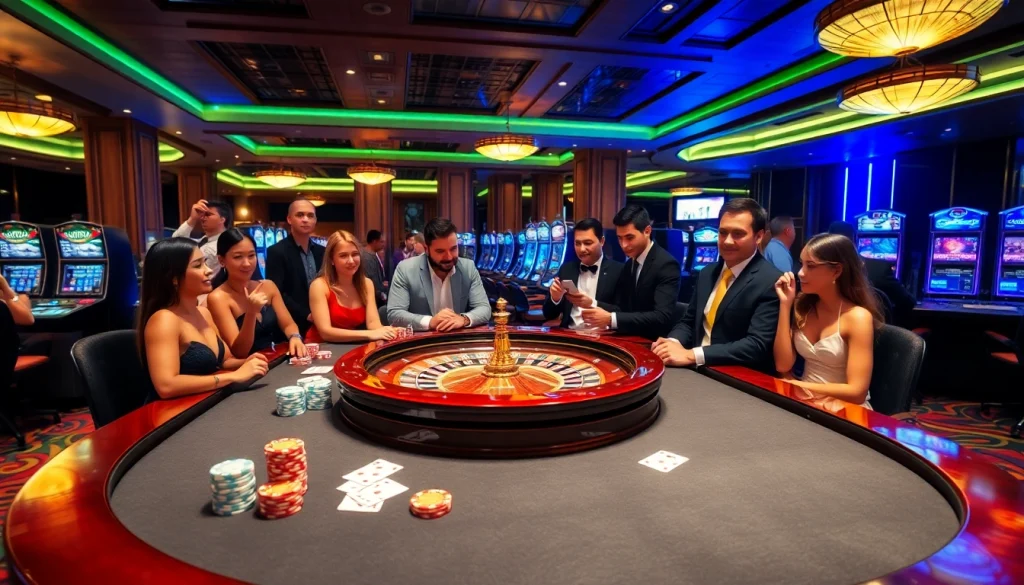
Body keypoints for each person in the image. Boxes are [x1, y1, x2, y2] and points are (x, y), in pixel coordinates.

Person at [653, 198, 782, 372]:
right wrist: (672, 343)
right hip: (695, 369)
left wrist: (692, 354)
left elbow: (756, 345)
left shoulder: (771, 280)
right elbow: (688, 322)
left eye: (738, 234)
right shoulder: (707, 272)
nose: (727, 241)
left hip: (735, 377)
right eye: (722, 232)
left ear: (758, 236)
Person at [137, 238, 269, 401]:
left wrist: (246, 362)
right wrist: (233, 377)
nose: (208, 271)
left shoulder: (203, 312)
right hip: (174, 415)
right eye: (198, 265)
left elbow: (225, 361)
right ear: (174, 278)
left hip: (205, 401)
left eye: (205, 263)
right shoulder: (164, 320)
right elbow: (166, 385)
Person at [773, 233, 882, 410]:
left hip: (845, 408)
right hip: (807, 400)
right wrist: (785, 305)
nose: (800, 272)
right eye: (802, 264)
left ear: (837, 271)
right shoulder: (803, 305)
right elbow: (783, 364)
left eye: (811, 266)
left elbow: (857, 392)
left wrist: (797, 385)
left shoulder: (858, 317)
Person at [581, 204, 679, 340]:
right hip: (630, 337)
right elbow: (624, 308)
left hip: (654, 342)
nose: (624, 245)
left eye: (629, 237)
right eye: (620, 238)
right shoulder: (629, 264)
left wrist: (611, 319)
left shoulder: (666, 264)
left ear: (647, 231)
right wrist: (592, 303)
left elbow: (661, 317)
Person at [207, 229, 307, 358]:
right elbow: (239, 351)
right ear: (222, 260)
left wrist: (295, 337)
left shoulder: (268, 286)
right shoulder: (218, 298)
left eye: (251, 255)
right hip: (250, 366)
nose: (247, 263)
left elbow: (288, 324)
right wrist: (251, 312)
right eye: (238, 257)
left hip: (279, 357)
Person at [387, 218, 491, 331]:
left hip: (458, 341)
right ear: (426, 249)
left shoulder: (468, 267)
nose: (449, 257)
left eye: (453, 249)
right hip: (420, 344)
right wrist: (430, 322)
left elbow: (484, 308)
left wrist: (463, 319)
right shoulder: (405, 269)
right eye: (440, 251)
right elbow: (395, 314)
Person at [307, 230, 401, 343]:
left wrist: (391, 331)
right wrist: (369, 334)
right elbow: (326, 333)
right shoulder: (319, 286)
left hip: (350, 346)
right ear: (332, 260)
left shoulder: (367, 284)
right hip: (321, 349)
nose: (351, 261)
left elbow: (373, 324)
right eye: (343, 256)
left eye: (355, 254)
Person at [543, 218, 625, 329]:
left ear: (602, 241)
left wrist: (592, 303)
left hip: (604, 338)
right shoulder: (567, 269)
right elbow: (549, 314)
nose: (582, 249)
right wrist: (555, 298)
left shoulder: (619, 270)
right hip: (570, 335)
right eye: (577, 243)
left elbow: (623, 312)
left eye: (587, 243)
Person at [828, 220, 915, 325]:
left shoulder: (822, 269)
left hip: (833, 327)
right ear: (855, 239)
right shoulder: (880, 268)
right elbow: (908, 302)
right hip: (876, 332)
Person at [266, 199, 325, 337]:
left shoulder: (322, 251)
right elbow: (277, 293)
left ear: (315, 220)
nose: (305, 219)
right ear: (289, 219)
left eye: (310, 216)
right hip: (291, 325)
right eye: (300, 215)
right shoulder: (276, 251)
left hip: (323, 322)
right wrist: (307, 314)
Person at [172, 199, 232, 279]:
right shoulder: (205, 240)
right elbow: (175, 243)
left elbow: (197, 275)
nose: (202, 218)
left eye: (208, 214)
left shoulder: (221, 244)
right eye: (202, 214)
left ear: (222, 219)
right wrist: (192, 219)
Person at [362, 229, 388, 305]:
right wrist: (381, 294)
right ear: (374, 241)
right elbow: (371, 279)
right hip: (372, 299)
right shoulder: (367, 257)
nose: (383, 244)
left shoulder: (371, 255)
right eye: (381, 241)